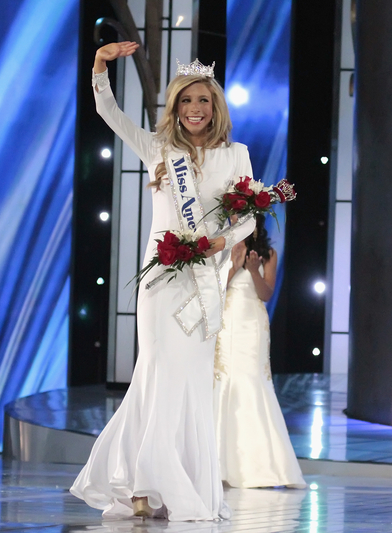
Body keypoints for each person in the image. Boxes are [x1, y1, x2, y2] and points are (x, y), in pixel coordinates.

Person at [70, 42, 256, 521]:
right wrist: (99, 66)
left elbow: (249, 218)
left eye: (203, 101)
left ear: (215, 107)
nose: (195, 109)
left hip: (204, 279)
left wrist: (223, 241)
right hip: (161, 278)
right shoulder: (159, 149)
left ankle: (168, 481)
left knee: (191, 380)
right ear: (175, 107)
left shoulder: (237, 154)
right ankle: (141, 481)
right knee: (155, 372)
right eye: (186, 101)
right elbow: (108, 112)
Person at [213, 215, 305, 489]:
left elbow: (266, 293)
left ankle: (260, 465)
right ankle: (218, 464)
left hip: (252, 323)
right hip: (227, 320)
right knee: (224, 380)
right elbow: (215, 289)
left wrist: (253, 270)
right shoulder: (224, 248)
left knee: (252, 382)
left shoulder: (268, 254)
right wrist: (234, 265)